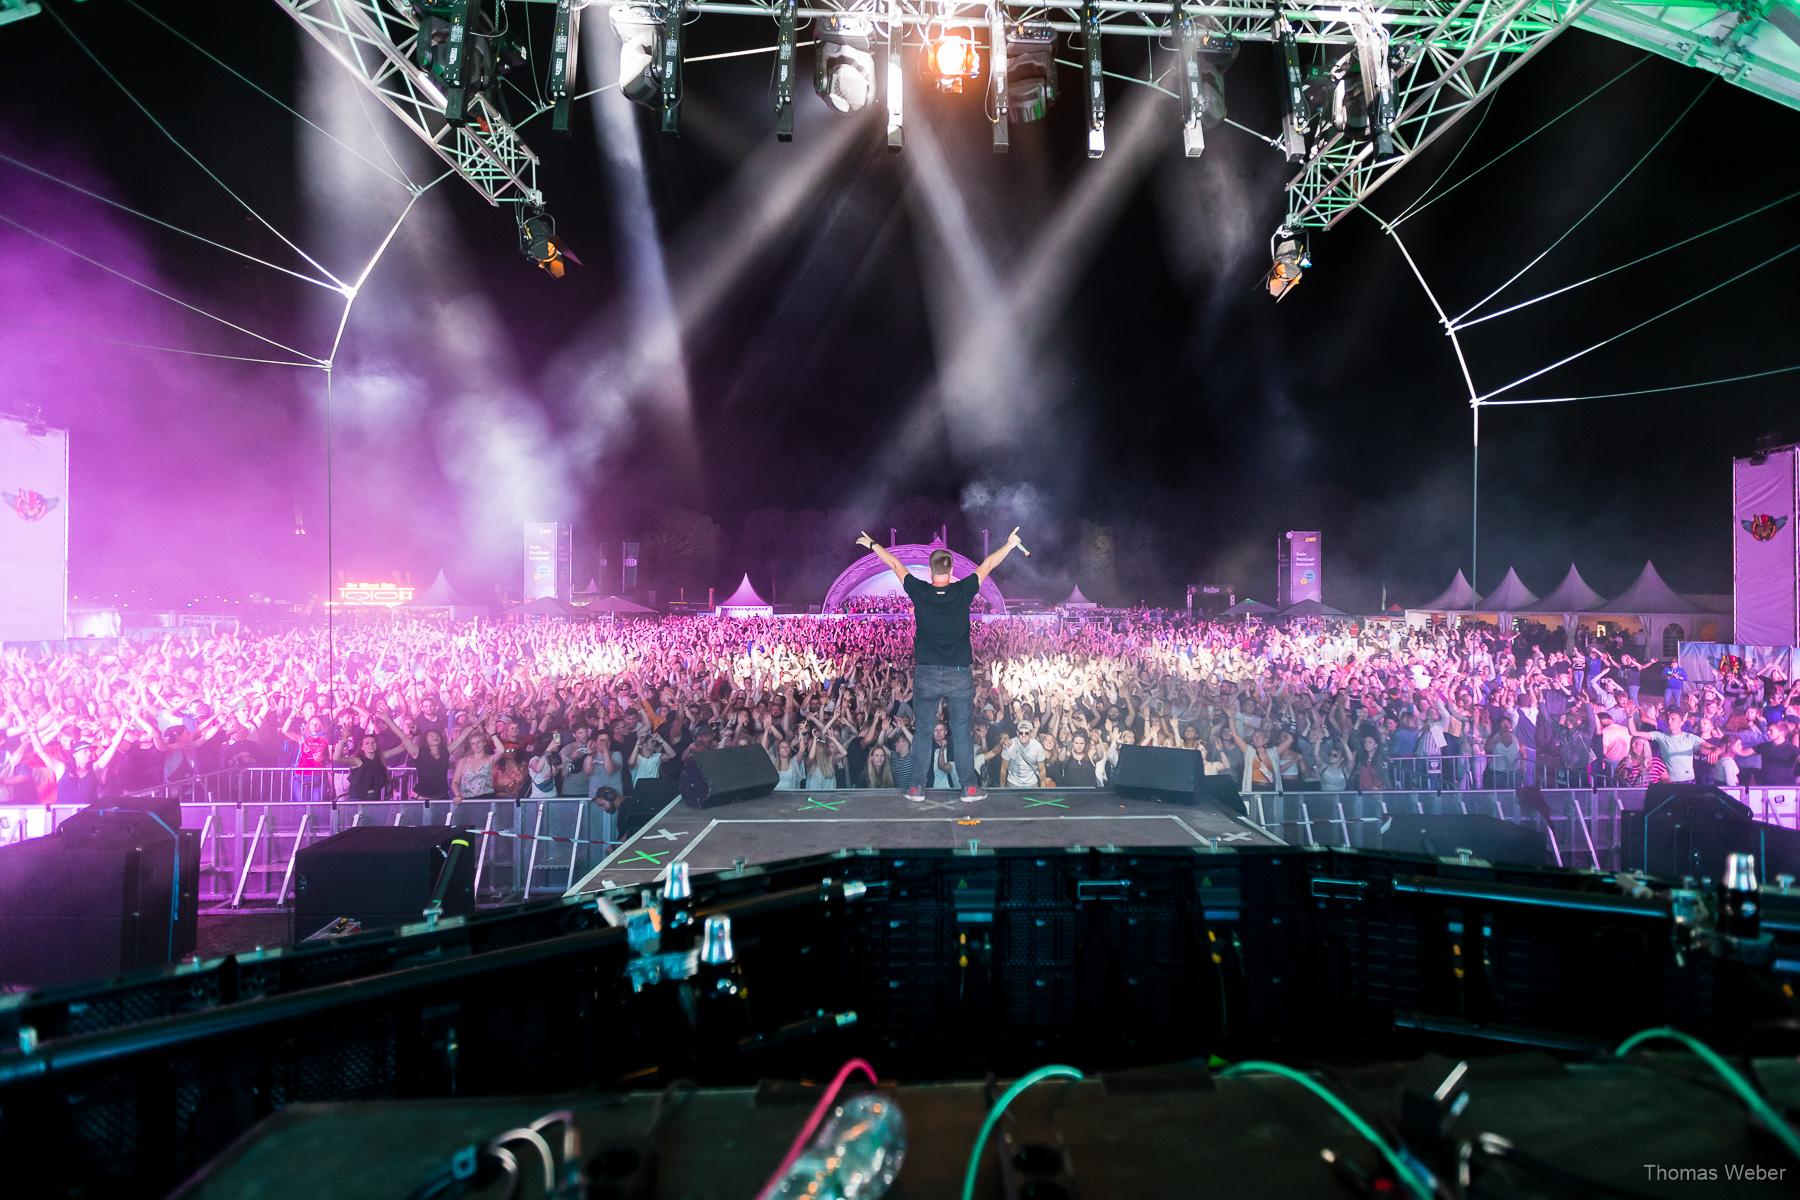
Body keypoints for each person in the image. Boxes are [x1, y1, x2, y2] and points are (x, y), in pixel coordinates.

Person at [857, 527, 1025, 801]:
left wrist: (873, 544)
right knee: (960, 731)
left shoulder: (919, 590)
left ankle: (916, 787)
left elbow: (896, 564)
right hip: (959, 673)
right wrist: (1010, 544)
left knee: (923, 730)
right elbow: (989, 563)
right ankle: (969, 787)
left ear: (930, 569)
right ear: (951, 569)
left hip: (927, 672)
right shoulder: (963, 589)